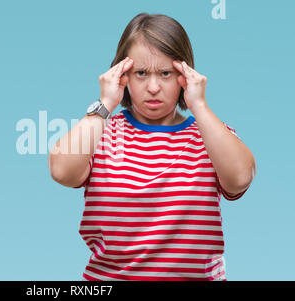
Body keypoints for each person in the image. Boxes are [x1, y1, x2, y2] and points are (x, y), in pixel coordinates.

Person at [48, 13, 256, 281]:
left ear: (185, 75)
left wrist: (199, 105)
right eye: (141, 73)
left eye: (166, 73)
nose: (154, 87)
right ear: (123, 75)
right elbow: (61, 171)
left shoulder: (210, 137)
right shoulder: (99, 134)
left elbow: (240, 178)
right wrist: (105, 104)